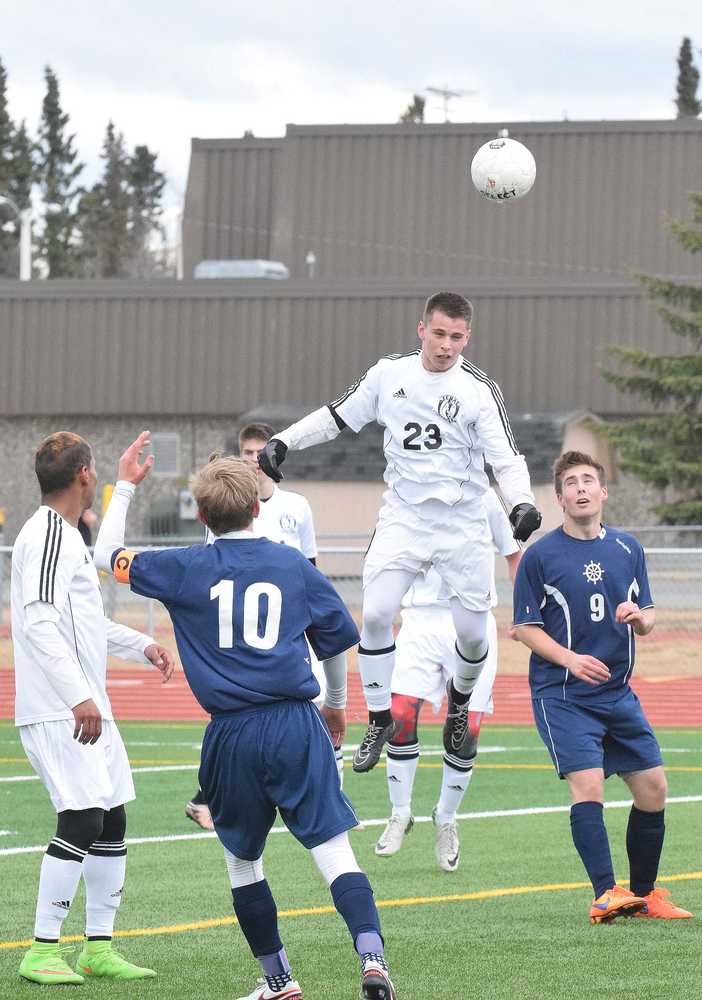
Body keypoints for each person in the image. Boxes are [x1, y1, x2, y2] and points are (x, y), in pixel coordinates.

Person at [93, 433, 396, 1000]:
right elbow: (334, 643)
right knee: (334, 853)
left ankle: (279, 980)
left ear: (202, 514)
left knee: (242, 864)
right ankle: (373, 959)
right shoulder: (290, 565)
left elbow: (106, 558)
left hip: (231, 732)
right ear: (259, 506)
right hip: (294, 722)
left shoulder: (183, 566)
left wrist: (128, 487)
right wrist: (334, 705)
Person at [258, 290, 541, 773]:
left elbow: (506, 458)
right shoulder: (389, 375)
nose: (446, 345)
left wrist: (523, 504)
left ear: (467, 337)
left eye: (456, 337)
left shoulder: (478, 389)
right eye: (438, 333)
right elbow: (335, 416)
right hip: (404, 517)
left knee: (474, 639)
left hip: (462, 522)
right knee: (375, 615)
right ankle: (379, 717)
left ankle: (459, 702)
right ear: (421, 329)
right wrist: (285, 440)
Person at [11, 432, 176, 985]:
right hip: (61, 709)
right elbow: (35, 623)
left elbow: (81, 623)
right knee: (81, 819)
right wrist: (78, 695)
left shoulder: (67, 536)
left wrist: (141, 645)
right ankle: (40, 950)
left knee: (112, 819)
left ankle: (98, 948)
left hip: (86, 704)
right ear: (85, 473)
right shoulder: (46, 535)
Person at [513, 450, 692, 924]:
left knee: (653, 787)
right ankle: (604, 894)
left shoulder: (628, 549)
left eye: (588, 480)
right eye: (570, 483)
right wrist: (570, 658)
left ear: (603, 491)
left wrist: (642, 621)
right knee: (588, 784)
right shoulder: (540, 556)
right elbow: (524, 628)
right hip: (564, 695)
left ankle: (646, 895)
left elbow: (648, 613)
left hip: (618, 693)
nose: (580, 489)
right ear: (559, 497)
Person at [186, 422, 341, 832]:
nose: (254, 460)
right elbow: (213, 562)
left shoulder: (297, 507)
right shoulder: (229, 508)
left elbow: (310, 568)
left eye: (260, 452)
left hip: (286, 625)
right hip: (240, 624)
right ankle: (211, 798)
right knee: (239, 705)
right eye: (247, 453)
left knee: (310, 703)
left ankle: (326, 795)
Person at [375, 488, 521, 871]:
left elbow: (514, 555)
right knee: (400, 712)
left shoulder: (484, 497)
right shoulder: (406, 492)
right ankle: (400, 812)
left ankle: (446, 818)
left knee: (468, 725)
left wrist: (523, 613)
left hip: (471, 620)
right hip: (419, 618)